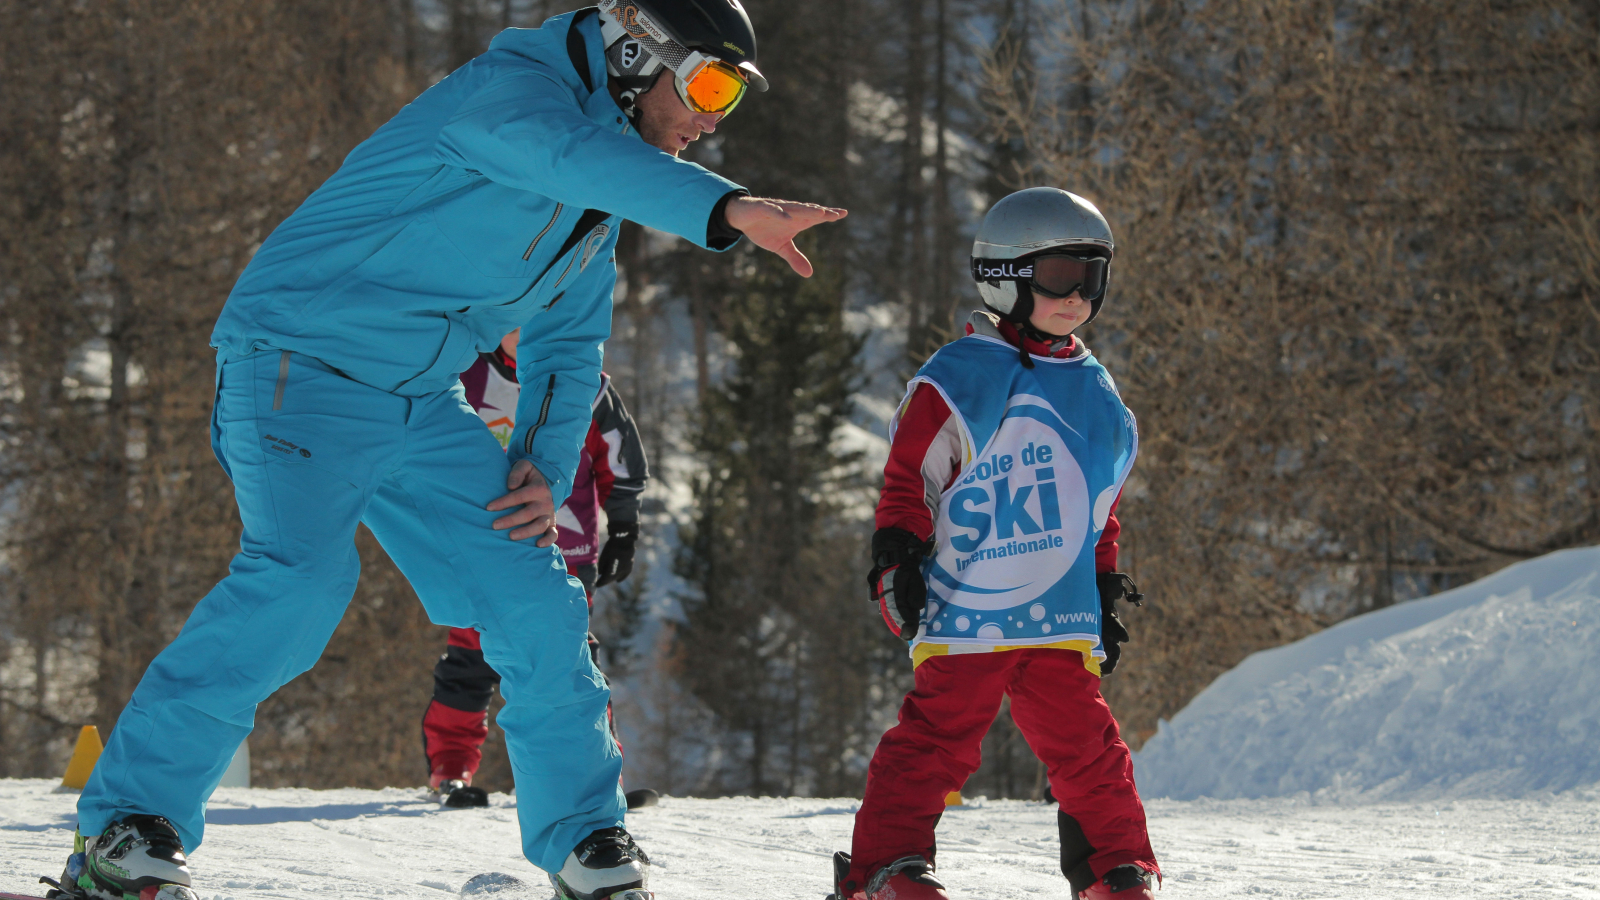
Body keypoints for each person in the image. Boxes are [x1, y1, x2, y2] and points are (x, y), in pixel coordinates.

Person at [55, 1, 845, 899]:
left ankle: (587, 842)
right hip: (298, 367)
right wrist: (729, 207)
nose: (711, 118)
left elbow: (566, 345)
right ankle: (125, 825)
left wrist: (545, 470)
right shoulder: (508, 98)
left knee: (536, 593)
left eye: (732, 99)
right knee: (300, 583)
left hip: (416, 400)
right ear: (634, 54)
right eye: (706, 85)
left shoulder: (598, 196)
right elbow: (569, 155)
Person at [831, 188, 1159, 900]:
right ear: (1006, 277)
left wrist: (1102, 583)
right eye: (1059, 276)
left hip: (1057, 608)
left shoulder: (1096, 390)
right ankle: (885, 868)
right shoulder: (959, 378)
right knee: (937, 743)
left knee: (1088, 750)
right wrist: (897, 556)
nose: (1077, 297)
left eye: (1091, 278)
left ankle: (1115, 869)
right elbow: (909, 479)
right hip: (970, 600)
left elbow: (1098, 503)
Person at [422, 328, 650, 808]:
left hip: (565, 552)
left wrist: (624, 528)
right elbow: (424, 452)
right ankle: (450, 770)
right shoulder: (460, 376)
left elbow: (620, 458)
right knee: (471, 661)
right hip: (481, 550)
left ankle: (600, 778)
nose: (523, 333)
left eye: (537, 320)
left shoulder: (583, 383)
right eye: (513, 321)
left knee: (574, 664)